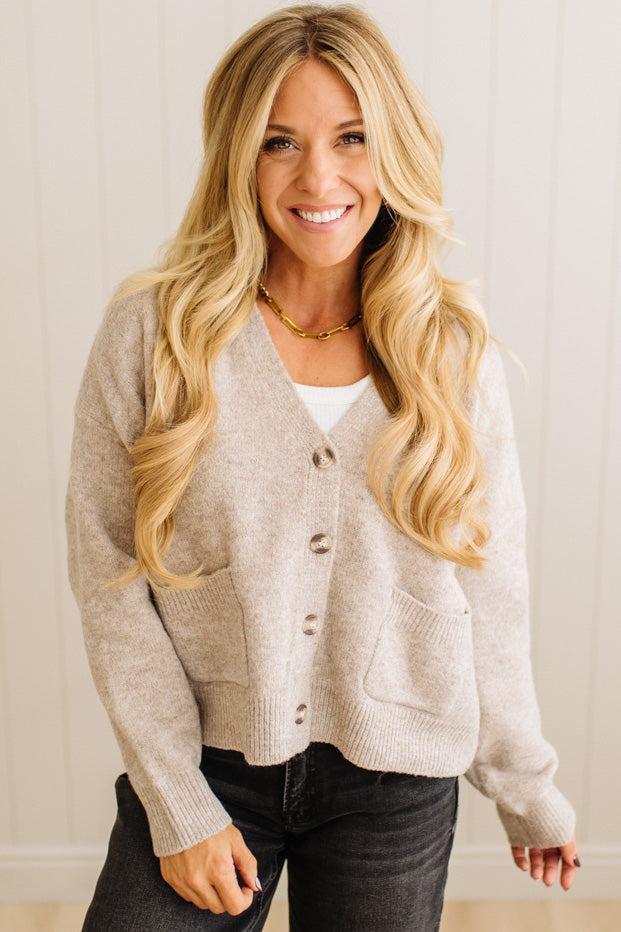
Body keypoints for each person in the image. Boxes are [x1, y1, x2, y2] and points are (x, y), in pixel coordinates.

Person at [65, 3, 581, 930]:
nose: (319, 177)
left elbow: (490, 585)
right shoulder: (155, 334)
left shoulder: (450, 350)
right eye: (278, 143)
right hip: (208, 764)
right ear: (236, 158)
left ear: (394, 149)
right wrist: (177, 800)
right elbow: (109, 577)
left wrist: (523, 782)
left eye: (351, 137)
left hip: (398, 779)